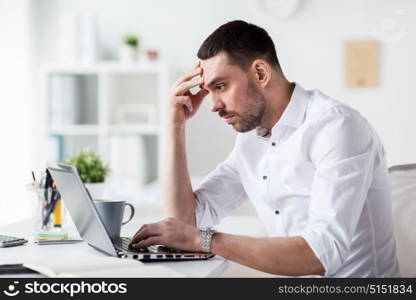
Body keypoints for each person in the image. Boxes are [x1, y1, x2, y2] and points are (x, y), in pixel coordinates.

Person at [129, 20, 400, 277]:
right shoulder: (251, 140)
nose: (212, 105)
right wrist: (175, 125)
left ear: (260, 73)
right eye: (208, 91)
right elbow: (185, 221)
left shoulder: (336, 127)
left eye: (220, 86)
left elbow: (321, 254)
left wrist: (204, 240)